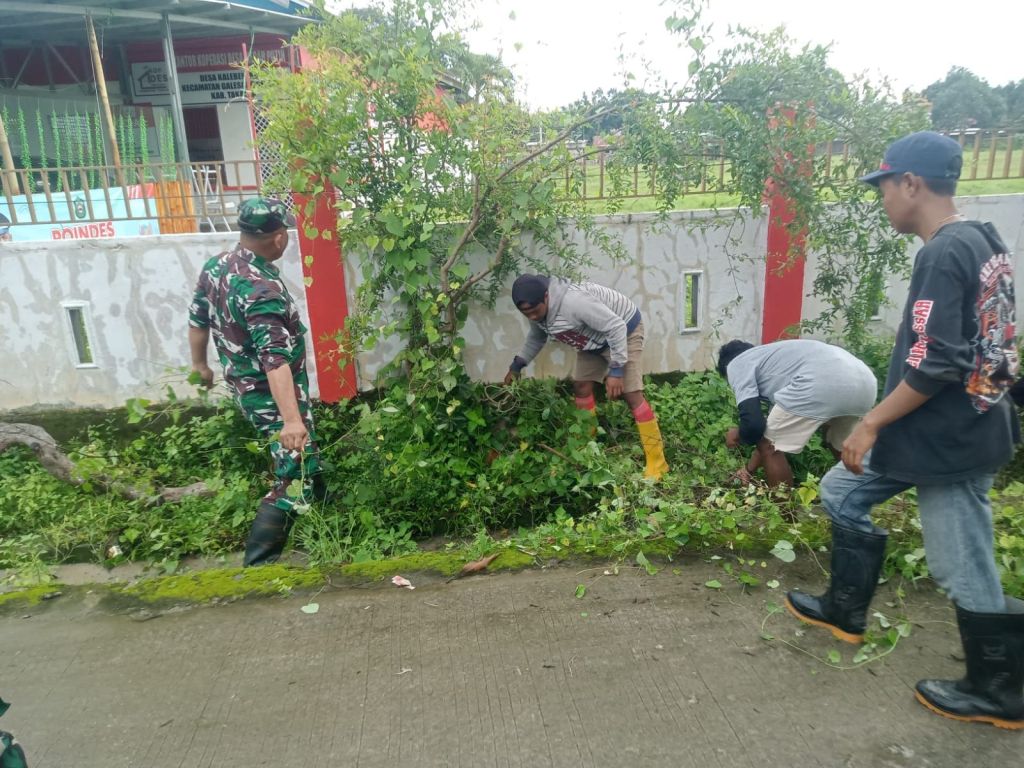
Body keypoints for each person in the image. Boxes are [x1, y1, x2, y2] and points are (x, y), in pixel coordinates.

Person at [784, 131, 1023, 729]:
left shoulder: (942, 254)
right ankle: (845, 610)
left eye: (885, 187)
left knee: (961, 565)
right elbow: (998, 348)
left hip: (949, 443)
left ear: (911, 183)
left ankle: (999, 691)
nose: (883, 199)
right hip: (939, 431)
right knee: (842, 490)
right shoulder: (985, 240)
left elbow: (937, 360)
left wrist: (869, 421)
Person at [188, 197, 324, 567]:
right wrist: (291, 420)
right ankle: (259, 567)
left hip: (247, 387)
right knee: (295, 475)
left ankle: (328, 522)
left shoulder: (217, 266)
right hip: (270, 396)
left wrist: (200, 366)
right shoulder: (261, 289)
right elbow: (274, 359)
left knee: (308, 459)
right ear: (279, 238)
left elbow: (198, 319)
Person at [503, 274, 669, 480]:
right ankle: (587, 447)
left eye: (535, 311)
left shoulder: (573, 303)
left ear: (546, 296)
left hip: (624, 332)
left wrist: (616, 370)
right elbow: (537, 337)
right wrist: (517, 365)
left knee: (631, 394)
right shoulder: (535, 311)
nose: (533, 317)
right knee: (581, 386)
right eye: (526, 314)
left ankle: (658, 463)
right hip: (592, 341)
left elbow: (616, 326)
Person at [716, 339, 877, 488]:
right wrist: (748, 470)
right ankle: (860, 493)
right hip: (865, 382)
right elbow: (771, 431)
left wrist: (738, 433)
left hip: (822, 382)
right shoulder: (776, 363)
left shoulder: (737, 364)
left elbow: (754, 427)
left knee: (769, 447)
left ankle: (784, 510)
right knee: (838, 442)